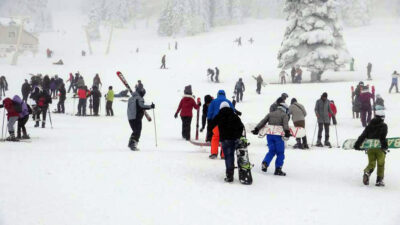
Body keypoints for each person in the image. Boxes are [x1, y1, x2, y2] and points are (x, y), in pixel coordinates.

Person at [251, 103, 291, 176]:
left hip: (269, 135)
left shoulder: (270, 114)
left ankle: (265, 163)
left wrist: (257, 129)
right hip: (278, 136)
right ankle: (278, 169)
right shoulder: (284, 115)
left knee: (271, 151)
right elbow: (285, 125)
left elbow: (263, 121)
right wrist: (287, 132)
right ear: (285, 108)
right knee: (280, 153)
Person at [209, 102, 244, 182]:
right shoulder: (234, 115)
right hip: (234, 139)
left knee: (228, 156)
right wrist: (238, 136)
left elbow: (211, 125)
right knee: (233, 154)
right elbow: (241, 126)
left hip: (225, 140)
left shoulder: (219, 115)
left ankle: (229, 175)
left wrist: (211, 132)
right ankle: (241, 170)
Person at [354, 110, 387, 187]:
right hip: (379, 148)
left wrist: (357, 145)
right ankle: (379, 180)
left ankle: (367, 172)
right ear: (382, 118)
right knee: (381, 164)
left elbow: (363, 135)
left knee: (371, 163)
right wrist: (384, 146)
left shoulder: (369, 125)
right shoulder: (384, 126)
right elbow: (382, 137)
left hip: (370, 148)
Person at [207, 90, 236, 159]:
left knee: (215, 137)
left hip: (216, 121)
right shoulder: (228, 101)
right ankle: (224, 155)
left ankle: (214, 153)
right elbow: (233, 111)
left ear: (218, 94)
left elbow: (210, 112)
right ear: (224, 94)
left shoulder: (214, 101)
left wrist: (209, 120)